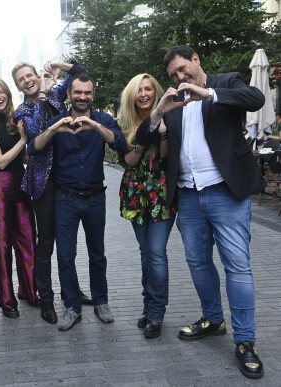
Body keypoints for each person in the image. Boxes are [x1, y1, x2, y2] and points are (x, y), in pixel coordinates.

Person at [136, 45, 265, 379]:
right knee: (197, 261)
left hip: (226, 191)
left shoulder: (225, 83)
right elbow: (143, 137)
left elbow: (255, 99)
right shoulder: (173, 104)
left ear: (195, 61)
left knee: (237, 265)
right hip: (189, 195)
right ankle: (213, 318)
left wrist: (207, 93)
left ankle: (246, 341)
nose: (180, 78)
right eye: (174, 75)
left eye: (183, 69)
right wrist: (158, 111)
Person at [28, 73, 127, 331]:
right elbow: (32, 148)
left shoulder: (103, 119)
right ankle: (72, 307)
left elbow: (120, 143)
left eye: (88, 93)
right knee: (65, 256)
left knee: (98, 254)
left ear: (93, 95)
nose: (83, 97)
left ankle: (101, 301)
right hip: (65, 198)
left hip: (95, 197)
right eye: (78, 92)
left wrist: (93, 125)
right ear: (69, 94)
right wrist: (53, 128)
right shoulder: (57, 120)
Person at [12, 60, 92, 325]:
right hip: (44, 183)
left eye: (30, 75)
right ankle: (46, 300)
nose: (27, 80)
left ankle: (72, 291)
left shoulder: (60, 93)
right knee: (46, 243)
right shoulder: (22, 110)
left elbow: (82, 75)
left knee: (68, 244)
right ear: (18, 86)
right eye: (21, 79)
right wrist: (45, 94)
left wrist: (60, 66)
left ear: (38, 75)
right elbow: (35, 134)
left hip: (69, 176)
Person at [117, 74, 177, 339]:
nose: (143, 93)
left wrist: (162, 132)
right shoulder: (124, 124)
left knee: (156, 252)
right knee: (145, 253)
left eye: (148, 88)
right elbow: (128, 161)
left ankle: (156, 313)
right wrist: (141, 142)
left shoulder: (170, 116)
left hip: (161, 193)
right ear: (132, 95)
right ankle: (147, 306)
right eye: (138, 90)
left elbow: (165, 157)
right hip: (135, 194)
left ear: (156, 92)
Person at [0, 78, 37, 318]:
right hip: (0, 188)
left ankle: (30, 292)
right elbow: (0, 160)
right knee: (2, 247)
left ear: (8, 94)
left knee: (28, 241)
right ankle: (7, 301)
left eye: (2, 92)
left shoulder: (16, 120)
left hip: (21, 185)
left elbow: (21, 158)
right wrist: (23, 140)